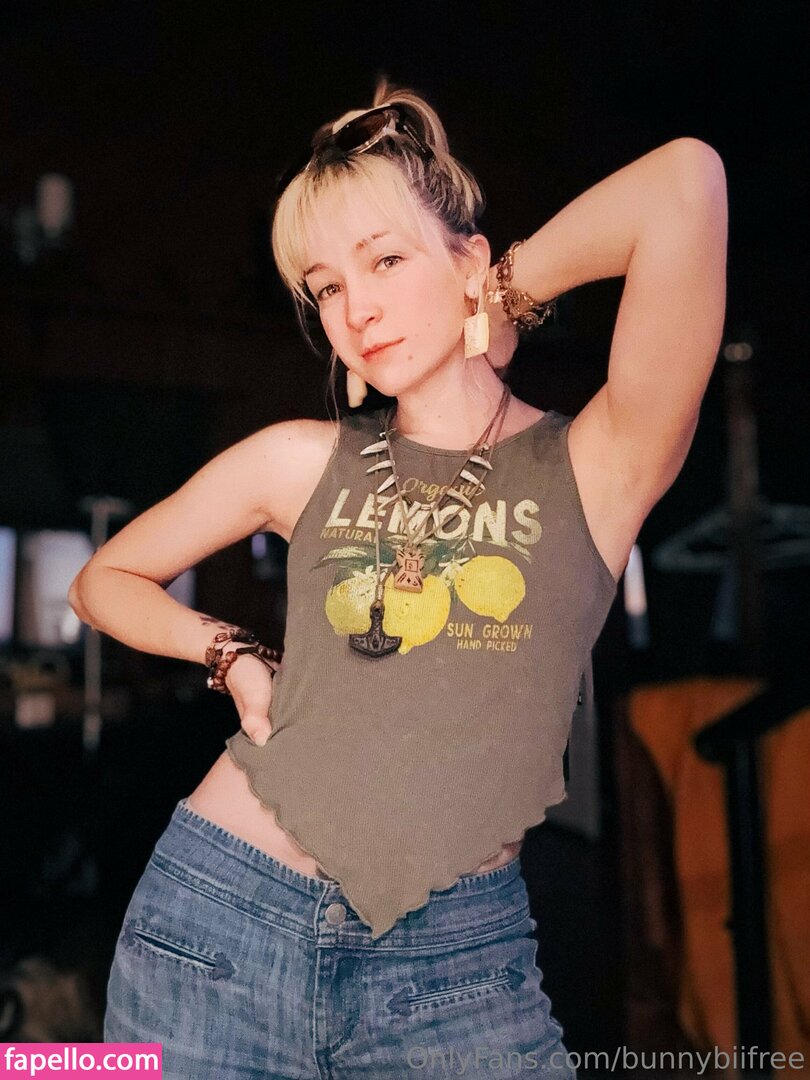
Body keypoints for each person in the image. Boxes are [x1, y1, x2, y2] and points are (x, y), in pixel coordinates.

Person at [69, 79, 727, 1078]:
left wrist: (497, 296)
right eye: (326, 287)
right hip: (218, 926)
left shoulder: (598, 465)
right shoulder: (301, 461)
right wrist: (231, 655)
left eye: (384, 259)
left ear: (468, 256)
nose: (357, 310)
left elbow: (686, 184)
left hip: (457, 971)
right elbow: (103, 579)